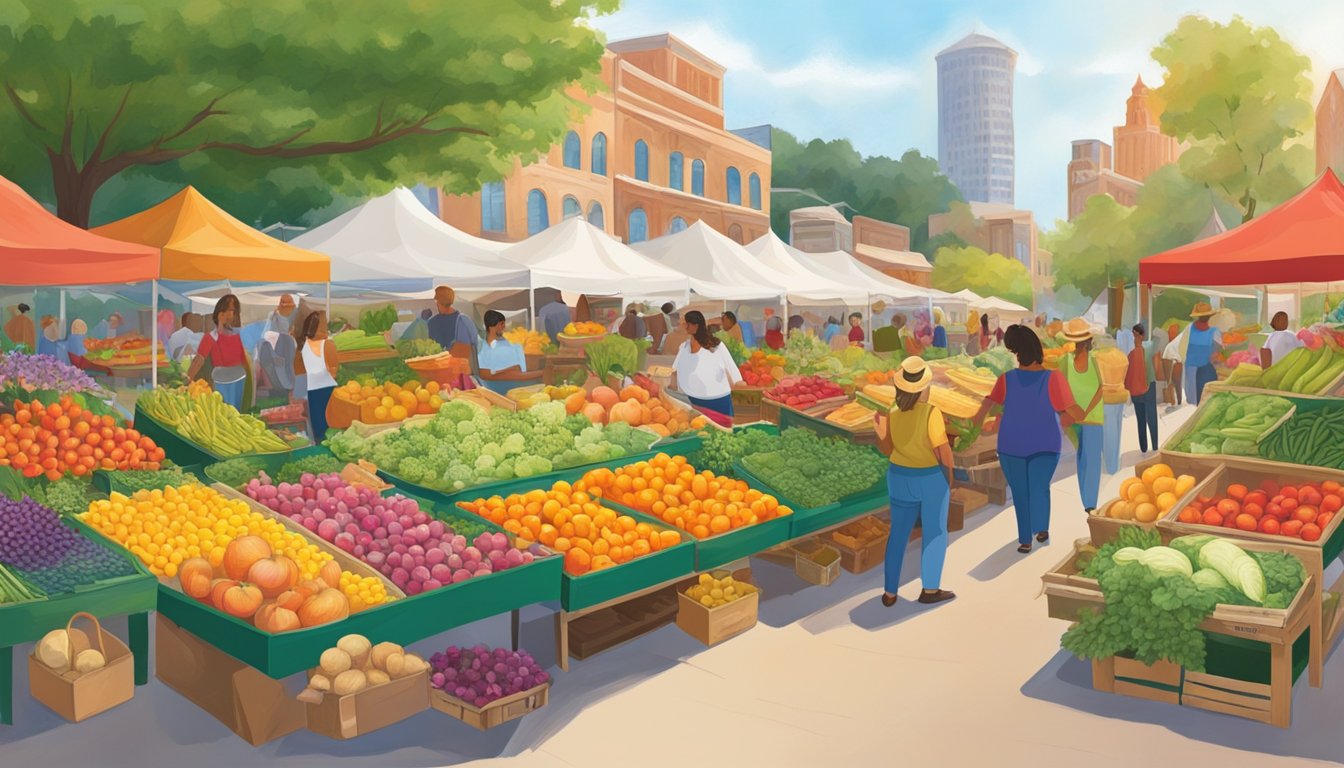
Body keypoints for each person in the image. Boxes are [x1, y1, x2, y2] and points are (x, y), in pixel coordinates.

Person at [973, 326, 1088, 553]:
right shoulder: (1053, 378)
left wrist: (975, 427)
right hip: (1045, 445)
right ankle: (1041, 530)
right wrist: (1079, 414)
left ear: (1016, 353)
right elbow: (1075, 412)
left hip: (1010, 446)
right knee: (1040, 488)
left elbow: (987, 405)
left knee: (1020, 492)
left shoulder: (1007, 380)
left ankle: (1025, 539)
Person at [874, 357, 955, 606]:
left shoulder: (893, 413)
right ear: (924, 388)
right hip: (929, 478)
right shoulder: (931, 413)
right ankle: (929, 590)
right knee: (934, 532)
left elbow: (887, 449)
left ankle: (889, 592)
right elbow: (943, 451)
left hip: (898, 476)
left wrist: (879, 433)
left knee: (898, 534)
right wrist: (950, 478)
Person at [1060, 318, 1106, 514]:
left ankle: (1090, 503)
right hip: (1074, 419)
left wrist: (1084, 411)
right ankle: (1087, 501)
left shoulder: (1096, 360)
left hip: (1092, 417)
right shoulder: (1065, 361)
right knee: (1084, 459)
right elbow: (1060, 390)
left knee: (1091, 460)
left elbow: (1101, 389)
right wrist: (1074, 412)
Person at [671, 310, 742, 421]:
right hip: (692, 403)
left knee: (720, 434)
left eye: (686, 323)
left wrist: (739, 386)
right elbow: (674, 372)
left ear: (695, 325)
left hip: (717, 402)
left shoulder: (716, 346)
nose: (684, 326)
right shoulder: (683, 347)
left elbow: (733, 373)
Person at [188, 295, 248, 411]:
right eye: (231, 310)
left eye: (235, 311)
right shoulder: (211, 337)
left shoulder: (241, 337)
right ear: (220, 314)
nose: (234, 315)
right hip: (221, 388)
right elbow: (198, 361)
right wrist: (186, 381)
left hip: (240, 388)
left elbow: (247, 364)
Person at [293, 311, 339, 442]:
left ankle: (318, 443)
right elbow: (335, 370)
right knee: (328, 424)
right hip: (327, 390)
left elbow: (298, 373)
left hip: (309, 391)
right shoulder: (328, 345)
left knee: (315, 426)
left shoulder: (301, 346)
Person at [475, 310, 533, 395]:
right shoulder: (482, 348)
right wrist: (511, 368)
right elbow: (486, 374)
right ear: (492, 326)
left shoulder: (515, 347)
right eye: (502, 324)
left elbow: (521, 371)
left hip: (516, 390)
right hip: (492, 392)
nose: (504, 327)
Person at [1125, 324, 1163, 454]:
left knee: (1140, 418)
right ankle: (1154, 446)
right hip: (1148, 386)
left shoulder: (1129, 351)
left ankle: (1144, 447)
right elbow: (1159, 341)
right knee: (1150, 416)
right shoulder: (1149, 346)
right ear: (1143, 335)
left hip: (1136, 387)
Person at [427, 286, 479, 373]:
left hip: (455, 373)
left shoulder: (462, 321)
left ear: (437, 301)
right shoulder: (465, 321)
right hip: (449, 372)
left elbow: (465, 351)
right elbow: (475, 345)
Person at [1183, 302, 1222, 406]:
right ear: (1209, 317)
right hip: (1206, 369)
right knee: (1205, 402)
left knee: (1193, 402)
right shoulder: (1215, 332)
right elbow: (1216, 354)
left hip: (1191, 368)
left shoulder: (1189, 329)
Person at [1162, 323, 1184, 406]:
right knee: (1174, 381)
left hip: (1170, 356)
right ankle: (1176, 401)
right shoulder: (1185, 336)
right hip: (1172, 357)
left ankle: (1175, 401)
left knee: (1172, 381)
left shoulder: (1183, 336)